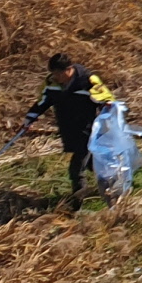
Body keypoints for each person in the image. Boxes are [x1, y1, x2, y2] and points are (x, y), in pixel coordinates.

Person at [26, 52, 116, 198]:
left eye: (58, 73)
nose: (56, 77)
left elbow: (106, 98)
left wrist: (107, 105)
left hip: (86, 129)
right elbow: (42, 102)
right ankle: (111, 181)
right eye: (53, 73)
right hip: (67, 128)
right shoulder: (51, 83)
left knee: (77, 166)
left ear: (69, 69)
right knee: (90, 162)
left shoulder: (87, 80)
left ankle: (77, 199)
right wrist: (29, 118)